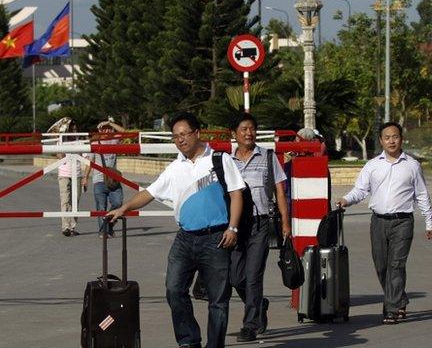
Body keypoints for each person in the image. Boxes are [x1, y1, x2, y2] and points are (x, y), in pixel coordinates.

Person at [107, 112, 244, 348]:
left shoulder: (220, 160)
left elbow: (236, 193)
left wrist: (233, 227)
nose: (180, 140)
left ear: (197, 133)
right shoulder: (174, 168)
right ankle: (189, 341)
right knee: (173, 290)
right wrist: (125, 207)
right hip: (185, 238)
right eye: (175, 137)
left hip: (216, 238)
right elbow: (149, 193)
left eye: (184, 134)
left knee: (218, 299)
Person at [336, 122, 432, 325]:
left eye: (395, 136)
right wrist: (346, 199)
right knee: (381, 265)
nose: (392, 140)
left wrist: (429, 221)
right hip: (378, 222)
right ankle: (399, 299)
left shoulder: (412, 165)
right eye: (387, 137)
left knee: (396, 265)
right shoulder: (372, 165)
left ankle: (391, 308)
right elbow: (360, 190)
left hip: (403, 222)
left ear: (401, 139)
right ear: (381, 140)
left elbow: (422, 195)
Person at [228, 114, 291, 342]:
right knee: (235, 277)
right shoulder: (226, 160)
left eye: (252, 129)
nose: (248, 133)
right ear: (234, 134)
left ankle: (251, 325)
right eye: (243, 129)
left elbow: (280, 192)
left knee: (254, 275)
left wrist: (285, 223)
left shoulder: (268, 156)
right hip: (235, 225)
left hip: (260, 223)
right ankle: (259, 303)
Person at [83, 118, 125, 237]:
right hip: (99, 180)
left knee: (118, 202)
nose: (107, 130)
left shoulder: (114, 141)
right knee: (101, 207)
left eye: (108, 128)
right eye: (104, 128)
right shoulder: (95, 143)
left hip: (113, 180)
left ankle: (109, 224)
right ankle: (103, 231)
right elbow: (90, 162)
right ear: (99, 130)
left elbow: (124, 132)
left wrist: (110, 123)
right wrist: (85, 178)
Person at [57, 121, 85, 236]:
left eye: (75, 129)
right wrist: (59, 142)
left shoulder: (80, 141)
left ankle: (73, 226)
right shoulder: (61, 140)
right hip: (64, 174)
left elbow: (85, 157)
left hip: (77, 174)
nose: (74, 132)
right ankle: (65, 227)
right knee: (65, 200)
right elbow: (60, 157)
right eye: (72, 130)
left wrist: (85, 177)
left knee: (75, 201)